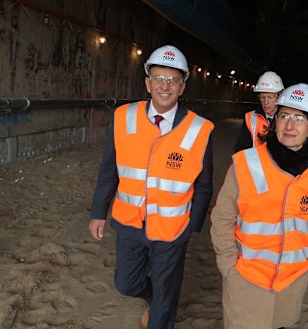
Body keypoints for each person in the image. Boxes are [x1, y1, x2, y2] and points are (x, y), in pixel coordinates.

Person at [88, 45, 214, 329]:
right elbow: (109, 170)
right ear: (147, 83)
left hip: (172, 231)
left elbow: (204, 184)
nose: (165, 86)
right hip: (130, 222)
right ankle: (157, 300)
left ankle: (162, 309)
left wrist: (191, 226)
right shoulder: (123, 117)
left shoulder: (200, 129)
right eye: (158, 78)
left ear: (182, 87)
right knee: (126, 283)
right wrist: (98, 212)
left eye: (172, 80)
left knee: (165, 299)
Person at [211, 83, 308, 329]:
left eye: (299, 118)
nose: (290, 126)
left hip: (293, 281)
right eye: (284, 116)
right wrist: (229, 266)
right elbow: (222, 218)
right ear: (274, 122)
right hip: (246, 280)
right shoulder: (246, 163)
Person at [233, 71, 284, 152]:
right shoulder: (250, 118)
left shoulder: (287, 119)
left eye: (270, 97)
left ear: (279, 97)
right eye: (262, 97)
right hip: (257, 164)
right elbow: (241, 149)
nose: (266, 102)